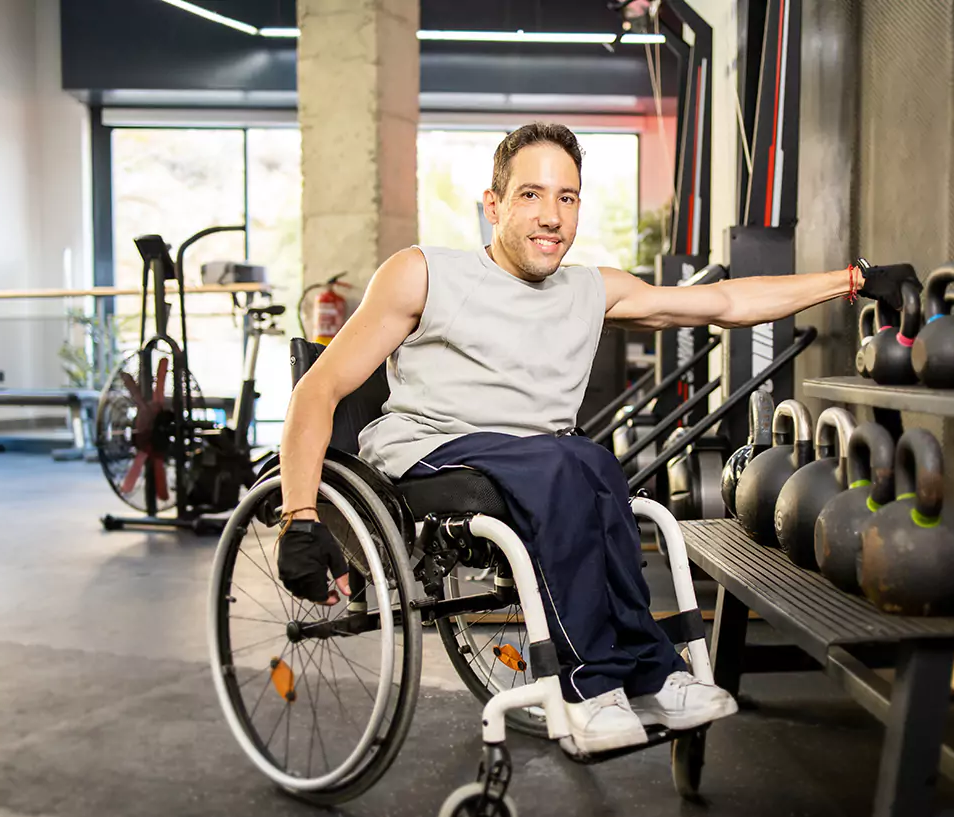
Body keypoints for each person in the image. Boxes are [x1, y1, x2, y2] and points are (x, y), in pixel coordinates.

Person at [275, 123, 919, 753]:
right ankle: (588, 687)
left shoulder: (592, 288)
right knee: (565, 461)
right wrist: (300, 517)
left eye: (567, 197)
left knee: (594, 463)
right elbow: (319, 390)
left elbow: (724, 304)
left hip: (541, 462)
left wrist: (854, 280)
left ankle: (652, 671)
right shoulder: (422, 274)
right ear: (493, 205)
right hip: (431, 452)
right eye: (531, 194)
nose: (551, 215)